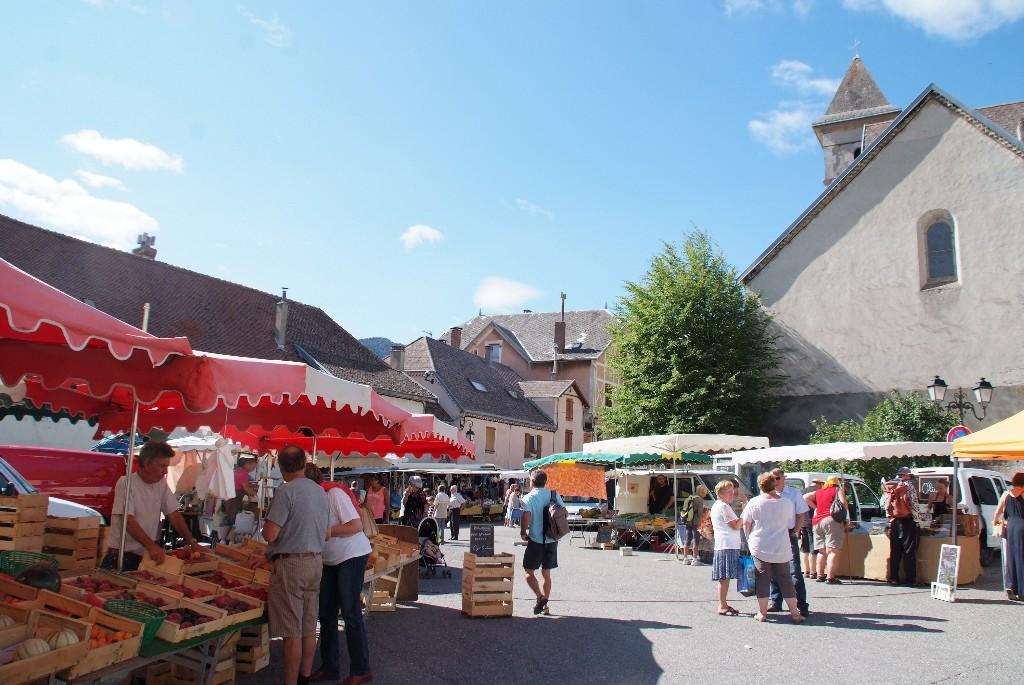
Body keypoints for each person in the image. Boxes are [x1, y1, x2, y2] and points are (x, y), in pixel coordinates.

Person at [261, 446, 329, 685]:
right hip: (315, 562)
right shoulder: (320, 491)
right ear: (303, 463)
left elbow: (270, 534)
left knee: (292, 632)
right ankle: (305, 677)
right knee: (309, 626)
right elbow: (326, 531)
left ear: (281, 467)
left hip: (291, 565)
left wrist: (266, 527)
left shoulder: (286, 491)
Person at [305, 468, 373, 685]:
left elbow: (356, 525)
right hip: (329, 560)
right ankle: (329, 667)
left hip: (351, 556)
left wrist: (329, 531)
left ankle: (361, 669)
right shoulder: (311, 500)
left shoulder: (334, 494)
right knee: (325, 613)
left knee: (350, 612)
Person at [102, 441, 200, 571]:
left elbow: (174, 514)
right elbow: (128, 521)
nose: (165, 471)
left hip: (145, 557)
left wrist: (191, 541)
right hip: (122, 557)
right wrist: (151, 546)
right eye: (162, 466)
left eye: (167, 467)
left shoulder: (161, 485)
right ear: (147, 463)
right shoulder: (126, 483)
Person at [742, 472, 804, 624]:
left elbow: (746, 523)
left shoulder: (754, 502)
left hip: (760, 544)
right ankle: (795, 613)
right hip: (781, 545)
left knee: (763, 578)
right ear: (774, 484)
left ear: (760, 485)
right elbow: (790, 524)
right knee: (785, 578)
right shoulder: (787, 503)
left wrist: (748, 539)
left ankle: (762, 613)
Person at [520, 470, 565, 616]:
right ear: (545, 482)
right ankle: (546, 606)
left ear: (532, 482)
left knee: (528, 571)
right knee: (546, 573)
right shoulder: (554, 494)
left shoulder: (528, 497)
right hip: (552, 539)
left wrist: (523, 532)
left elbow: (526, 516)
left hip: (536, 540)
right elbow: (564, 512)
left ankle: (540, 597)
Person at [769, 468, 810, 617]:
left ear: (783, 478)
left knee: (794, 571)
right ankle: (776, 601)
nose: (774, 481)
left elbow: (801, 513)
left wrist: (795, 531)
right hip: (772, 534)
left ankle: (802, 604)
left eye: (777, 478)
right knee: (773, 569)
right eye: (771, 478)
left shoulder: (793, 493)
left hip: (787, 533)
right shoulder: (768, 493)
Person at [805, 476, 848, 585]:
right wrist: (845, 517)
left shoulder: (819, 491)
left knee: (821, 551)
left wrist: (816, 508)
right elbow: (843, 503)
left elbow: (805, 497)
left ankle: (820, 575)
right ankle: (831, 577)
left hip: (817, 521)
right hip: (832, 520)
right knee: (833, 550)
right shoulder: (838, 490)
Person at [710, 480, 743, 616]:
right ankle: (722, 605)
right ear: (721, 494)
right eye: (729, 492)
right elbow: (735, 525)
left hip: (726, 544)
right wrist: (746, 513)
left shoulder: (722, 505)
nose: (732, 494)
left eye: (732, 491)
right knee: (724, 577)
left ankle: (723, 604)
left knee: (725, 577)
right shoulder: (723, 506)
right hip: (726, 545)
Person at [885, 466, 921, 586]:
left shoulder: (893, 485)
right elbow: (914, 503)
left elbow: (886, 504)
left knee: (895, 551)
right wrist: (918, 520)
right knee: (908, 550)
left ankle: (894, 578)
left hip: (895, 521)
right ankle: (910, 578)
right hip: (907, 521)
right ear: (907, 475)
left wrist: (890, 517)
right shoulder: (909, 486)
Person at [994, 472, 1024, 601]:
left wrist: (997, 525)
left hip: (1010, 527)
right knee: (1022, 558)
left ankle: (1010, 587)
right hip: (1022, 526)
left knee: (1010, 557)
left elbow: (997, 513)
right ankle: (1022, 591)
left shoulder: (1006, 495)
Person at [224, 455, 259, 541]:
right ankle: (228, 541)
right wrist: (256, 495)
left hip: (229, 499)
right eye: (253, 466)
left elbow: (244, 484)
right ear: (247, 464)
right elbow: (246, 488)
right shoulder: (243, 473)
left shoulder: (237, 471)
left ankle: (225, 540)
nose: (253, 468)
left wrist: (252, 487)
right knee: (233, 522)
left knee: (231, 521)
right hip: (234, 500)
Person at [800, 477, 824, 578]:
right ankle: (813, 572)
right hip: (813, 521)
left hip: (802, 522)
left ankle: (806, 571)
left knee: (804, 547)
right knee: (813, 547)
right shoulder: (818, 492)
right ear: (819, 483)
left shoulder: (801, 491)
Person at [680, 485, 708, 566]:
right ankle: (695, 559)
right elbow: (700, 513)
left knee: (688, 539)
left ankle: (685, 558)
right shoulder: (699, 500)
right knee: (696, 540)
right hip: (696, 522)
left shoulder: (690, 497)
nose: (705, 494)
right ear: (702, 492)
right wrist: (704, 511)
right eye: (705, 493)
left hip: (688, 520)